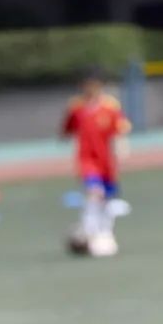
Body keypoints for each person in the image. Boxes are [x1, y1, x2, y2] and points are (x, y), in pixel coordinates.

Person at [61, 70, 129, 257]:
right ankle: (89, 232)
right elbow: (68, 129)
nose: (90, 89)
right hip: (87, 159)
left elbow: (119, 131)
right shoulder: (76, 107)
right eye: (87, 85)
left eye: (94, 84)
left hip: (106, 161)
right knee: (94, 193)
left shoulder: (110, 106)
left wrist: (121, 150)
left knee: (107, 199)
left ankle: (105, 233)